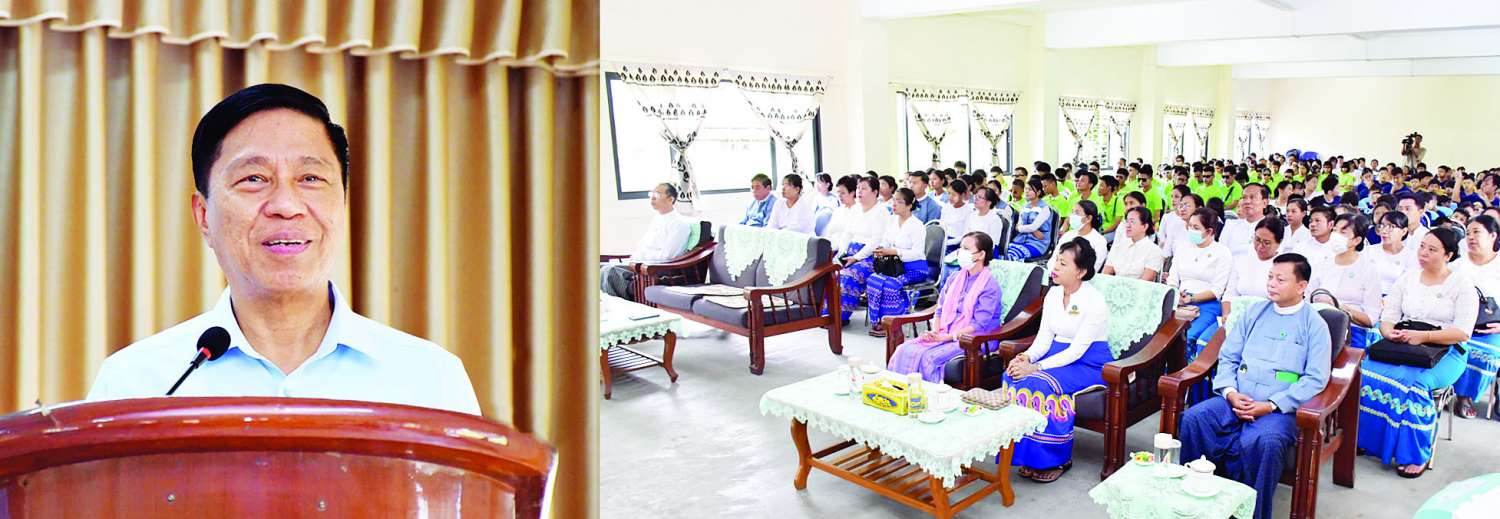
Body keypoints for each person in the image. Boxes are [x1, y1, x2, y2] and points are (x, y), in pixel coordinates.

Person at [86, 83, 480, 414]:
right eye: (254, 179)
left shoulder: (428, 381)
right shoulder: (137, 383)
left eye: (310, 178)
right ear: (204, 215)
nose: (287, 206)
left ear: (342, 203)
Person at [1178, 254, 1331, 519]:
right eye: (1270, 277)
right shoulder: (1254, 312)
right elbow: (1228, 357)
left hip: (1279, 409)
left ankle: (1251, 514)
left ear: (1301, 286)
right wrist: (1230, 392)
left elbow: (1316, 378)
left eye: (1280, 279)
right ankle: (1196, 505)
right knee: (1195, 418)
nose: (1271, 283)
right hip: (1236, 397)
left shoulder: (1314, 324)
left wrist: (1270, 405)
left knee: (1264, 441)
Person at [1359, 227, 1476, 478]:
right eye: (1422, 246)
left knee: (1416, 385)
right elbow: (1389, 316)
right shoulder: (1408, 278)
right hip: (1405, 343)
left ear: (1448, 255)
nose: (1423, 253)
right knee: (1364, 373)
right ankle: (1368, 439)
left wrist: (1424, 337)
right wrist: (1389, 332)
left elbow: (1462, 332)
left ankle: (1414, 454)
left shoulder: (1462, 285)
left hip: (1447, 349)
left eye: (1432, 249)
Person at [1003, 238, 1110, 483]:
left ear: (1081, 271)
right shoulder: (1052, 294)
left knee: (1040, 382)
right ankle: (1028, 457)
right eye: (1056, 261)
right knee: (1011, 375)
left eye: (1063, 264)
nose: (1055, 267)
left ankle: (1056, 459)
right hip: (1056, 355)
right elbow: (1043, 338)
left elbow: (1077, 350)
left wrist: (1036, 367)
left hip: (1088, 362)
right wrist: (1026, 357)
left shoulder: (1094, 300)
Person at [888, 232, 1004, 382]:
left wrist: (949, 337)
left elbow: (979, 324)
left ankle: (926, 395)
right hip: (946, 331)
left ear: (981, 254)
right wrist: (935, 332)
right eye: (961, 248)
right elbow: (940, 309)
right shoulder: (954, 278)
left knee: (929, 358)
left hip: (975, 338)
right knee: (903, 350)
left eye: (966, 249)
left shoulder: (989, 286)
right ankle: (900, 391)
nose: (960, 252)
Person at [838, 188, 930, 337]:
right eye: (894, 201)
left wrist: (895, 251)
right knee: (873, 279)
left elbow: (917, 253)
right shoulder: (892, 221)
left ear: (909, 205)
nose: (894, 204)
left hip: (914, 268)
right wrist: (881, 249)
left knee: (890, 284)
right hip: (894, 266)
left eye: (899, 202)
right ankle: (879, 320)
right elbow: (886, 241)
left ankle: (892, 323)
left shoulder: (917, 225)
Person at [1168, 208, 1233, 379]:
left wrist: (1192, 298)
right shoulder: (1183, 248)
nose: (1191, 230)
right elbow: (1173, 279)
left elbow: (1217, 290)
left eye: (1196, 228)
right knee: (1165, 335)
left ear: (1209, 231)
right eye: (1190, 226)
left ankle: (1186, 381)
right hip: (1180, 300)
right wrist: (1177, 295)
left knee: (1188, 336)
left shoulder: (1222, 252)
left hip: (1207, 303)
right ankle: (1166, 378)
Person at [600, 183, 693, 300]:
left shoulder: (679, 224)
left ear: (670, 199)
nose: (652, 197)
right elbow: (642, 245)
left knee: (610, 271)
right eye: (651, 194)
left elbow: (668, 255)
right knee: (599, 267)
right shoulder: (657, 219)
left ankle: (618, 305)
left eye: (657, 194)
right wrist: (637, 257)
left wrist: (642, 257)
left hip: (655, 269)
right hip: (640, 264)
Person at [1308, 214, 1383, 349]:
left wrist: (1339, 307)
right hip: (1318, 325)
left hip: (1351, 331)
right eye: (1335, 230)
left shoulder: (1368, 270)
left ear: (1356, 240)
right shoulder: (1322, 265)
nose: (1335, 236)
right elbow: (1307, 300)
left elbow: (1370, 320)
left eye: (1343, 232)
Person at [1452, 215, 1500, 418]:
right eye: (1468, 233)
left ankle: (1466, 396)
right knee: (1452, 347)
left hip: (1490, 327)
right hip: (1457, 323)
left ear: (1492, 236)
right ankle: (1447, 391)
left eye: (1477, 232)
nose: (1471, 237)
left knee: (1486, 355)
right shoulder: (1457, 265)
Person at [1223, 218, 1285, 315]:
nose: (1260, 246)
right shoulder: (1242, 261)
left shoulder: (1284, 266)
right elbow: (1229, 295)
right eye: (1257, 240)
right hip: (1239, 314)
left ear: (1279, 242)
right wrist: (1227, 315)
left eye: (1266, 243)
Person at [833, 177, 890, 264]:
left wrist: (856, 257)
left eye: (863, 188)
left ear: (875, 192)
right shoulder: (855, 208)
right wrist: (843, 252)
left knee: (846, 273)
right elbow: (847, 233)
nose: (859, 191)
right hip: (849, 252)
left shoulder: (881, 211)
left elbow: (876, 240)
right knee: (829, 270)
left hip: (869, 256)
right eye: (858, 188)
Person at [1103, 206, 1164, 281]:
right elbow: (1106, 274)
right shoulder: (1119, 246)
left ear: (1144, 226)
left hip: (1138, 287)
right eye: (1127, 221)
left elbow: (1145, 282)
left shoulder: (1154, 251)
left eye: (1132, 222)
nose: (1127, 225)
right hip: (1114, 286)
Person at [1366, 211, 1418, 296]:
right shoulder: (1368, 251)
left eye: (1391, 226)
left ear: (1404, 231)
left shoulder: (1411, 256)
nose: (1384, 231)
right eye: (1382, 226)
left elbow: (1410, 287)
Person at [1049, 200, 1108, 274]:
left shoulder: (1099, 241)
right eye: (1072, 212)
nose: (1072, 216)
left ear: (1088, 218)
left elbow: (1093, 269)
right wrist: (1052, 273)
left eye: (1077, 213)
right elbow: (1054, 258)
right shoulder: (1068, 235)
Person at [1005, 178, 1055, 262]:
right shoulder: (1025, 207)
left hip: (1037, 244)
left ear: (1038, 192)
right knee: (1003, 252)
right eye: (1026, 189)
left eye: (1030, 189)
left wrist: (1026, 228)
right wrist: (1032, 230)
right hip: (1020, 240)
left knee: (1012, 255)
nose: (1027, 192)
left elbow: (1030, 227)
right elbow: (1019, 226)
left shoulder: (1044, 208)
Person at [1219, 183, 1269, 261]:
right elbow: (1221, 254)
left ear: (1264, 203)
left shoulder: (1273, 228)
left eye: (1252, 197)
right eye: (1244, 197)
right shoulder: (1230, 225)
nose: (1247, 201)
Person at [820, 176, 860, 254]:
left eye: (843, 193)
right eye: (838, 192)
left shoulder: (859, 210)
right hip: (831, 249)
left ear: (852, 193)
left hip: (848, 251)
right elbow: (829, 232)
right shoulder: (838, 211)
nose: (839, 195)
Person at [1159, 187, 1197, 258]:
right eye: (1172, 196)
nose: (1173, 200)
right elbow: (1162, 238)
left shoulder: (1192, 221)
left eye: (1176, 197)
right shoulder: (1166, 217)